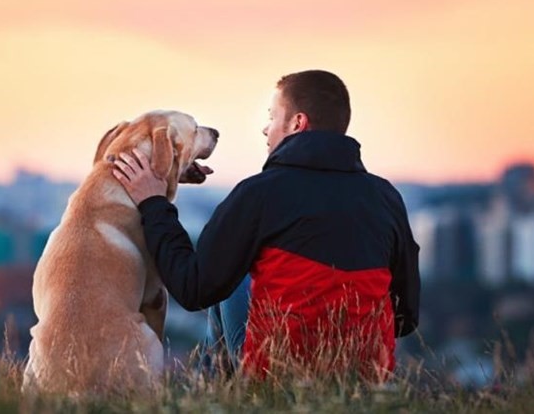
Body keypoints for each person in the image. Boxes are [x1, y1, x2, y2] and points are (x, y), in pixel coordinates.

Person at [112, 69, 420, 380]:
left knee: (228, 280)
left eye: (272, 117)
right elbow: (405, 317)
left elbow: (192, 289)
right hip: (365, 377)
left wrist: (154, 204)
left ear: (297, 123)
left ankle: (215, 396)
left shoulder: (259, 193)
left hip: (279, 374)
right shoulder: (386, 198)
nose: (265, 129)